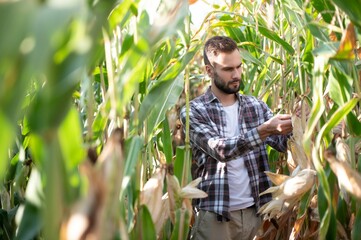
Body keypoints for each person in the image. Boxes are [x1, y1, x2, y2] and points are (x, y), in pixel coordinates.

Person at [180, 36, 293, 240]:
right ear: (209, 71)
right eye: (228, 69)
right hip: (216, 216)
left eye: (239, 67)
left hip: (254, 213)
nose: (236, 74)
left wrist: (304, 125)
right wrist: (264, 130)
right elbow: (220, 150)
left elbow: (283, 144)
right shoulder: (193, 111)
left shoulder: (255, 106)